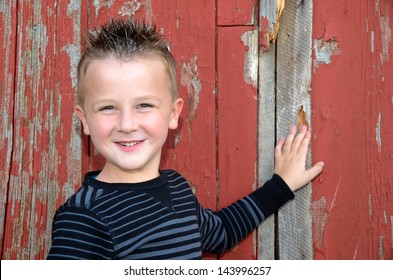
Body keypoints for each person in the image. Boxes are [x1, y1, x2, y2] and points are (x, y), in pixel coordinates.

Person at [47, 19, 324, 260]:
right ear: (84, 120)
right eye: (108, 107)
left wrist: (281, 185)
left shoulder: (177, 189)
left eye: (144, 105)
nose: (127, 124)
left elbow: (223, 232)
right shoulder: (83, 218)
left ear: (173, 113)